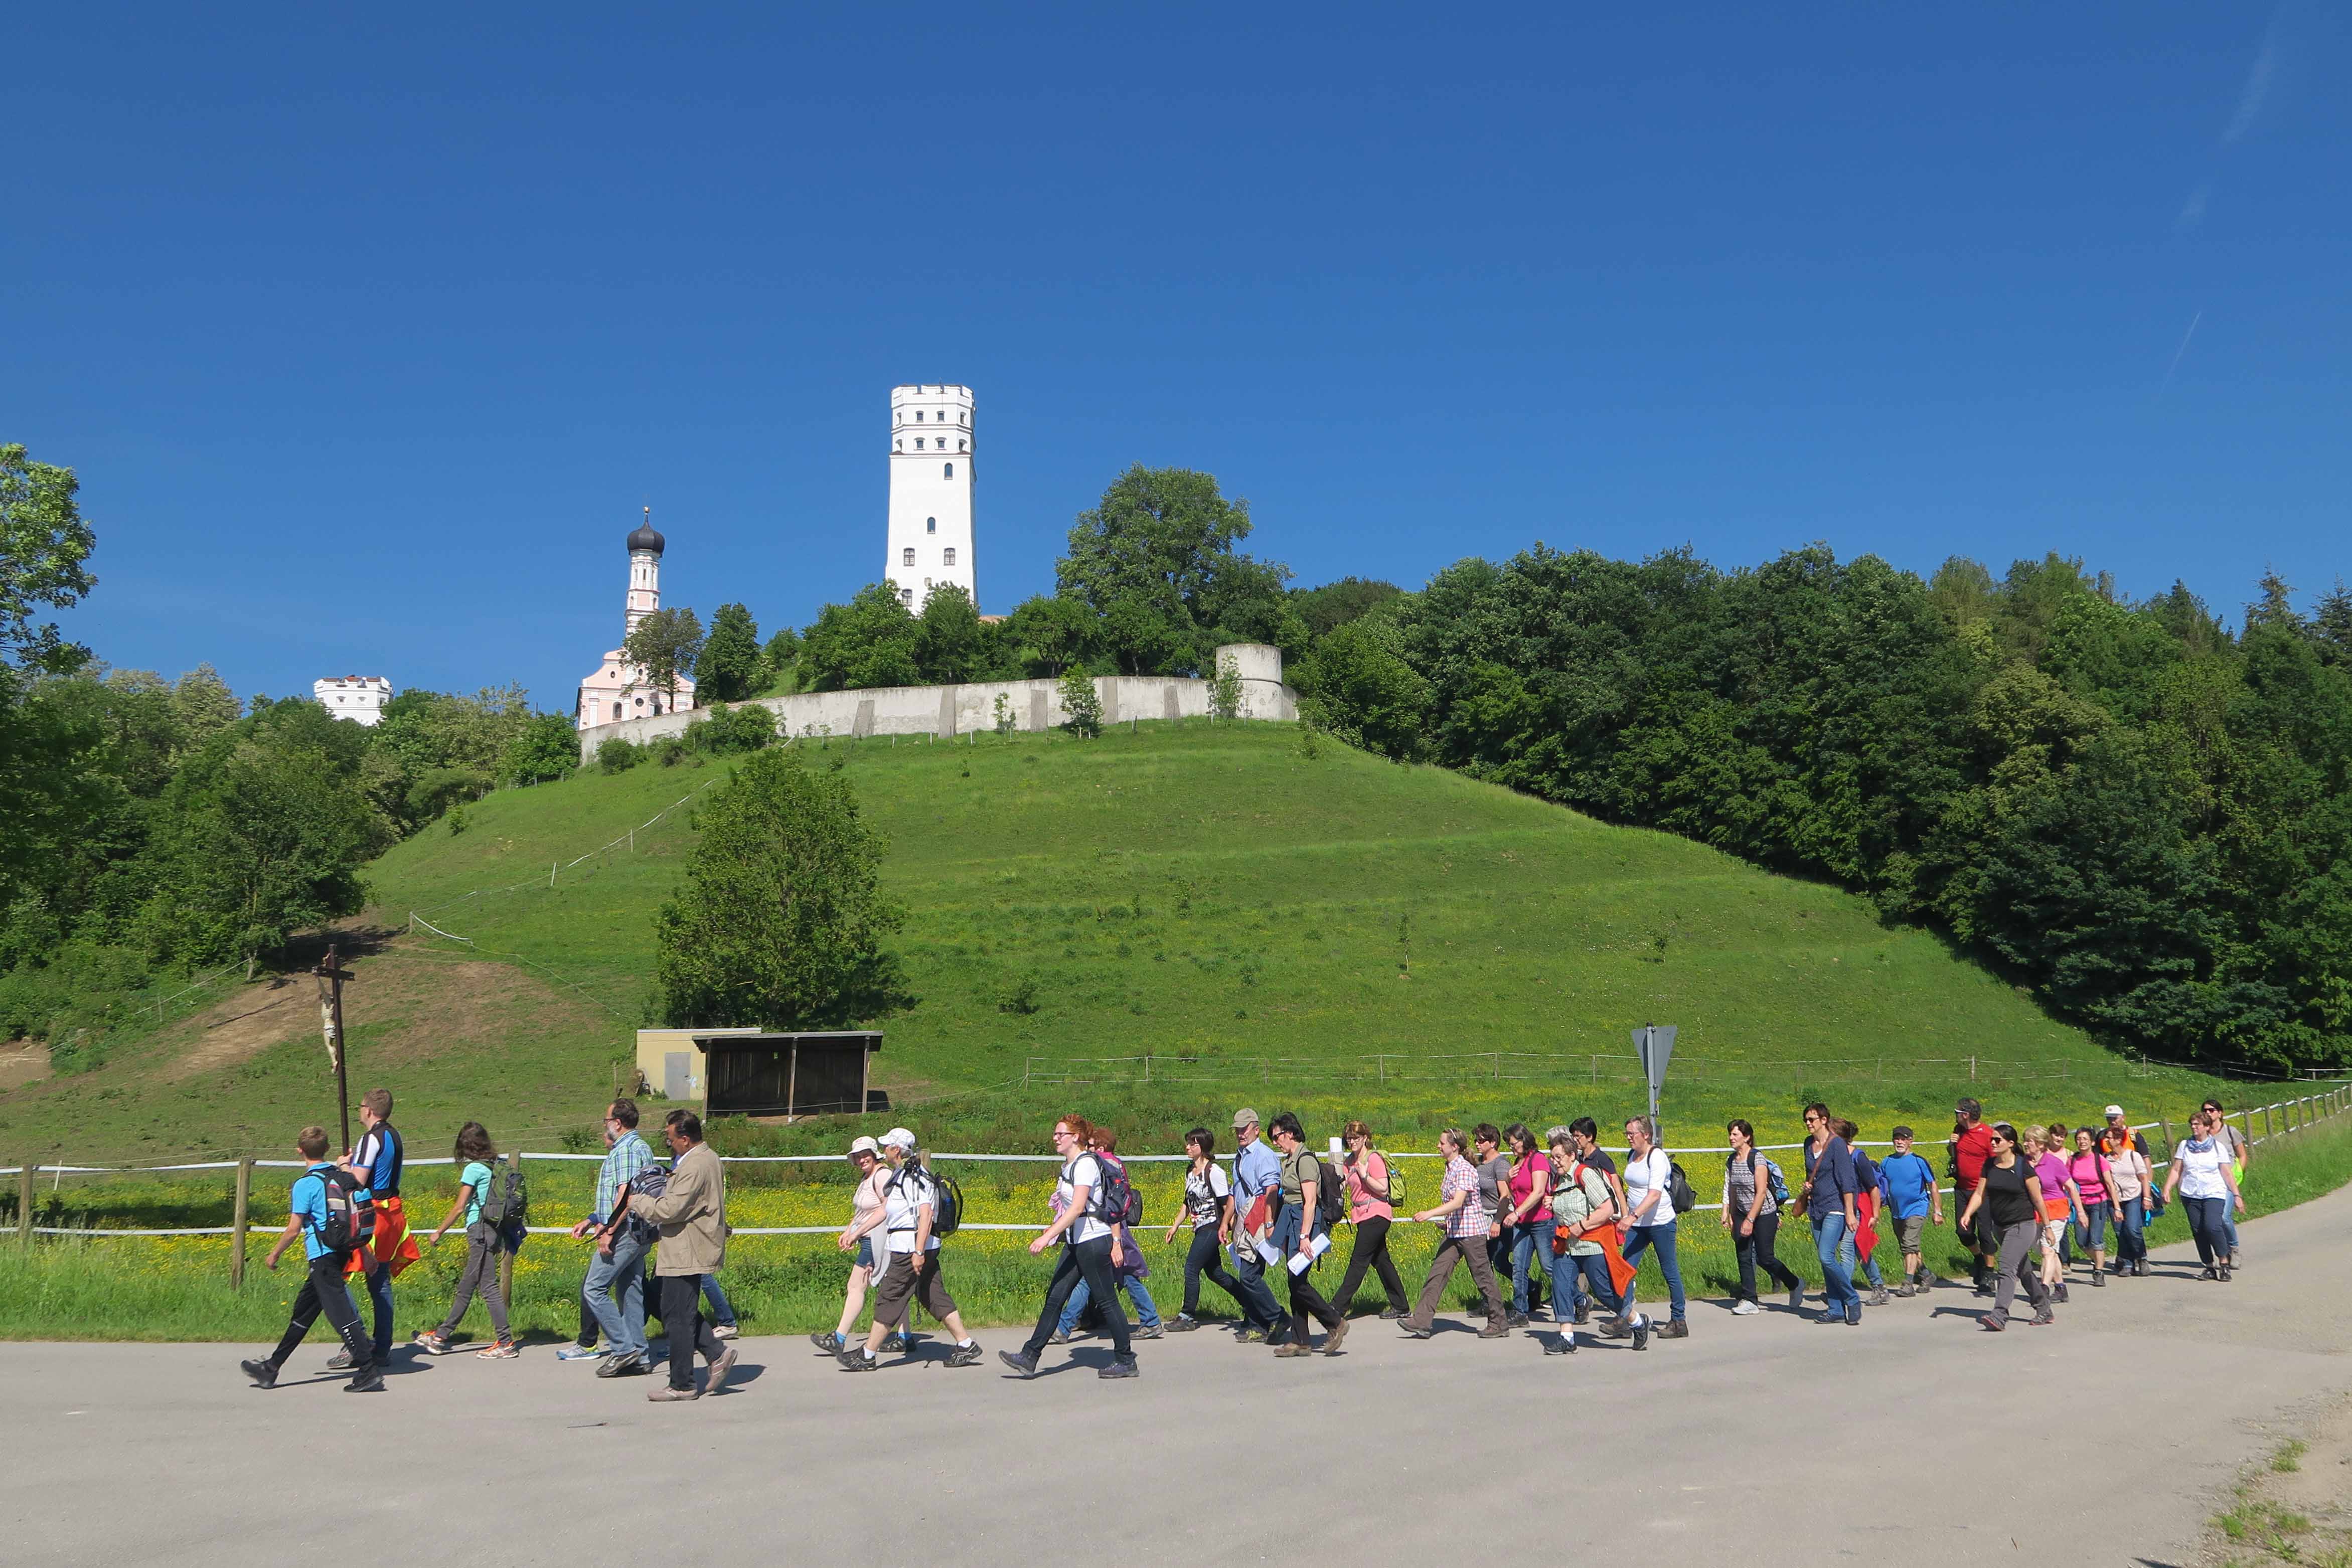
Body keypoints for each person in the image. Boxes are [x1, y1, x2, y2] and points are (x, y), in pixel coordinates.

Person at [239, 1125, 382, 1392]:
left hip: (322, 1258)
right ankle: (271, 1369)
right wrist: (366, 1253)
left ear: (300, 1151)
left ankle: (368, 1370)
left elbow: (295, 1228)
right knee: (303, 1314)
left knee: (342, 1315)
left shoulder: (306, 1185)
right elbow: (352, 1217)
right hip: (340, 1253)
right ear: (327, 1149)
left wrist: (274, 1254)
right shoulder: (339, 1176)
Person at [1000, 1115, 1138, 1380]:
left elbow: (1077, 1207)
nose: (1055, 1138)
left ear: (1075, 1137)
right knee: (1055, 1298)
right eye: (1055, 1134)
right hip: (1077, 1242)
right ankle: (1030, 1356)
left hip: (1093, 1241)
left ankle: (1125, 1359)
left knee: (1107, 1301)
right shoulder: (1070, 1165)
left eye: (1060, 1134)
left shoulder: (1085, 1165)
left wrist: (1047, 1236)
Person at [837, 1128, 983, 1369]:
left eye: (887, 1146)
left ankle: (868, 1354)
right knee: (932, 1295)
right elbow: (885, 1211)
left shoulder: (912, 1177)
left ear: (897, 1150)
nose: (883, 1151)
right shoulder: (903, 1175)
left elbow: (925, 1215)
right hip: (919, 1247)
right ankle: (966, 1345)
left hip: (909, 1250)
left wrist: (917, 1252)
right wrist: (856, 1233)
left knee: (889, 1297)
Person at [626, 1109, 738, 1400]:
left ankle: (682, 1384)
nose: (668, 1143)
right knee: (675, 1309)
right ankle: (717, 1353)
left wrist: (636, 1201)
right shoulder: (705, 1158)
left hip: (686, 1249)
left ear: (686, 1139)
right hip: (687, 1246)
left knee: (676, 1316)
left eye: (670, 1138)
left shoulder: (694, 1166)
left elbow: (670, 1209)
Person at [560, 1098, 656, 1377]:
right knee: (631, 1291)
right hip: (640, 1230)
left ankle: (624, 1349)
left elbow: (626, 1196)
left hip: (625, 1230)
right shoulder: (641, 1148)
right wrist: (593, 1219)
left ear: (617, 1123)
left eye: (606, 1121)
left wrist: (609, 1231)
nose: (605, 1125)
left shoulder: (626, 1150)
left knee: (594, 1288)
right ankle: (640, 1355)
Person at [1052, 1127, 1165, 1342]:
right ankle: (1149, 1320)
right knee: (1127, 1275)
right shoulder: (1114, 1163)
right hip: (1113, 1228)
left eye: (1091, 1145)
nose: (1087, 1149)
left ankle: (1065, 1326)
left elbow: (1100, 1201)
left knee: (1092, 1277)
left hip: (1107, 1228)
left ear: (1100, 1148)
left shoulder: (1100, 1163)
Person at [414, 1122, 516, 1359]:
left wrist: (438, 1231)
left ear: (466, 1145)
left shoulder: (473, 1169)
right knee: (468, 1286)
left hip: (479, 1231)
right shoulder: (495, 1165)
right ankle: (441, 1335)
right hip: (492, 1230)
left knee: (487, 1288)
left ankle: (505, 1342)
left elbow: (460, 1207)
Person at [1399, 1128, 1509, 1340]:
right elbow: (1458, 1207)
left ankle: (1499, 1322)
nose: (1438, 1146)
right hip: (1454, 1232)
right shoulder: (1450, 1168)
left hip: (1472, 1234)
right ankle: (1421, 1321)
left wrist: (1429, 1213)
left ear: (1454, 1146)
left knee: (1484, 1278)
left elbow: (1458, 1202)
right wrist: (1447, 1222)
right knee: (1437, 1274)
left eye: (1442, 1143)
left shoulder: (1465, 1170)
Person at [336, 1087, 418, 1371]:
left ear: (369, 1110)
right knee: (380, 1282)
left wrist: (343, 1168)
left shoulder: (371, 1138)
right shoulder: (394, 1135)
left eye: (361, 1106)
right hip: (392, 1212)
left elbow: (358, 1181)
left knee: (337, 1275)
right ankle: (381, 1347)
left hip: (374, 1215)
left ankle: (356, 1343)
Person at [1265, 1113, 1345, 1357]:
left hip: (1304, 1222)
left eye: (1277, 1137)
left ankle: (1335, 1322)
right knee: (1294, 1280)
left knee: (1298, 1282)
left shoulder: (1305, 1160)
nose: (1275, 1142)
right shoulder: (1289, 1160)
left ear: (1290, 1133)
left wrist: (1304, 1237)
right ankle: (1301, 1340)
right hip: (1291, 1220)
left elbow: (1310, 1202)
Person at [811, 1136, 900, 1354]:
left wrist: (857, 1233)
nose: (861, 1160)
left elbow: (885, 1210)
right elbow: (862, 1212)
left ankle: (839, 1338)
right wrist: (849, 1231)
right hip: (868, 1238)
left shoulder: (882, 1176)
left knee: (855, 1286)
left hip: (877, 1240)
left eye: (865, 1155)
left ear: (874, 1154)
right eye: (858, 1157)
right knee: (897, 1286)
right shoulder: (867, 1177)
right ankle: (905, 1337)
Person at [1959, 1123, 2053, 1330]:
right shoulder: (1989, 1165)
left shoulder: (2022, 1167)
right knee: (2024, 1270)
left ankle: (2000, 1315)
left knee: (2007, 1267)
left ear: (2011, 1144)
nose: (1993, 1143)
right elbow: (1979, 1194)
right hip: (2000, 1226)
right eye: (1991, 1139)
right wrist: (1968, 1213)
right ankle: (2044, 1308)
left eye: (1997, 1140)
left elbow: (2038, 1200)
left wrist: (2047, 1227)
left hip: (2023, 1225)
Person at [1545, 1127, 1630, 1351]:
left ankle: (1636, 1320)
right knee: (1561, 1285)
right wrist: (1553, 1205)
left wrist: (1581, 1226)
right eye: (1552, 1158)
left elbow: (1606, 1208)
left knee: (1604, 1292)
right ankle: (1567, 1338)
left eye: (1559, 1157)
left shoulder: (1585, 1174)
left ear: (1572, 1155)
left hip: (1591, 1243)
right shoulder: (1559, 1180)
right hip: (1567, 1246)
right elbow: (1567, 1208)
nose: (1555, 1162)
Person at [1610, 1115, 1689, 1340]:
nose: (1628, 1138)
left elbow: (1654, 1194)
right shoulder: (1632, 1156)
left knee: (1669, 1269)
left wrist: (1632, 1217)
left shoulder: (1657, 1157)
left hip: (1660, 1223)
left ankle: (1679, 1320)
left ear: (1645, 1134)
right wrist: (1626, 1214)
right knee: (1625, 1269)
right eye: (1626, 1133)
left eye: (1632, 1134)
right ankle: (1625, 1317)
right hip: (1638, 1224)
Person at [1163, 1126, 1248, 1330]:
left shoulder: (1214, 1172)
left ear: (1204, 1146)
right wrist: (1175, 1226)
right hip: (1199, 1227)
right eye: (1188, 1143)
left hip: (1212, 1227)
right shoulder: (1190, 1172)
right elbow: (1188, 1202)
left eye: (1193, 1143)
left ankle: (1187, 1316)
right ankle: (1252, 1303)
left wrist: (1229, 1227)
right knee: (1216, 1273)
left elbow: (1228, 1203)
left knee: (1191, 1268)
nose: (1188, 1147)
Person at [1220, 1107, 1290, 1345]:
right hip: (1244, 1218)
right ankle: (1259, 1324)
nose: (1240, 1134)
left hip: (1259, 1219)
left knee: (1249, 1275)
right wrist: (1226, 1221)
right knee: (1251, 1273)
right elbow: (1234, 1191)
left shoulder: (1263, 1155)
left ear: (1256, 1130)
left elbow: (1271, 1190)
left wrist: (1269, 1223)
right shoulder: (1240, 1156)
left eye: (1244, 1129)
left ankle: (1277, 1317)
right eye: (1237, 1130)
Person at [1329, 1120, 1410, 1321]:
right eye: (1349, 1138)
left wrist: (1365, 1176)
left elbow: (1383, 1188)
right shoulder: (1349, 1162)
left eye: (1356, 1137)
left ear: (1365, 1137)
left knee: (1359, 1261)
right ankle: (1401, 1305)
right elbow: (1342, 1187)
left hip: (1377, 1213)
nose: (1352, 1142)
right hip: (1362, 1215)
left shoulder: (1373, 1159)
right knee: (1381, 1261)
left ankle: (1337, 1307)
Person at [1720, 1119, 1801, 1315]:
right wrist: (1729, 1214)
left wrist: (1750, 1220)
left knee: (1765, 1258)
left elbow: (1762, 1192)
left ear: (1747, 1137)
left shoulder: (1757, 1159)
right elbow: (1730, 1188)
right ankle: (1749, 1300)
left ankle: (1794, 1283)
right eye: (1730, 1134)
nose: (1731, 1138)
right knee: (1743, 1254)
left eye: (1735, 1134)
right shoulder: (1731, 1160)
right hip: (1740, 1211)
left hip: (1764, 1213)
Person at [1796, 1103, 1860, 1328]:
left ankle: (1852, 1299)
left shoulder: (1837, 1145)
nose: (1808, 1123)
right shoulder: (1807, 1144)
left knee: (1826, 1256)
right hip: (1816, 1207)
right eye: (1806, 1119)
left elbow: (1847, 1181)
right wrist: (1807, 1188)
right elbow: (1810, 1171)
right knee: (1826, 1262)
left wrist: (1850, 1212)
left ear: (1824, 1120)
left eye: (1812, 1119)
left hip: (1836, 1207)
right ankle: (1835, 1309)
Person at [2162, 1111, 2245, 1282]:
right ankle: (2208, 1266)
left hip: (2214, 1192)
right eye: (2192, 1124)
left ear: (2207, 1127)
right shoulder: (2185, 1145)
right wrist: (2167, 1188)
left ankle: (2223, 1262)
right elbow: (2177, 1169)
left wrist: (2236, 1195)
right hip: (2190, 1194)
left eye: (2197, 1124)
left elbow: (2227, 1174)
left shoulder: (2217, 1147)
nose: (2194, 1127)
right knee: (2198, 1231)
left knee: (2212, 1226)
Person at [1560, 1118, 1621, 1324]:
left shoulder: (1600, 1159)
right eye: (1573, 1136)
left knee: (1602, 1283)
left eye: (1579, 1136)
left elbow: (1615, 1187)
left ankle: (1627, 1310)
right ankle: (1581, 1307)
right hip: (1578, 1232)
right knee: (1567, 1277)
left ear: (1590, 1137)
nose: (1576, 1140)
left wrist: (1624, 1213)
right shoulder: (1576, 1159)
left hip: (1597, 1226)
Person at [1875, 1126, 1942, 1296]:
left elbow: (1933, 1185)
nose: (1899, 1142)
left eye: (1904, 1139)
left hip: (1917, 1208)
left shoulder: (1919, 1161)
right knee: (1908, 1247)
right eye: (1896, 1138)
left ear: (1911, 1141)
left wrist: (1937, 1210)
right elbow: (1880, 1186)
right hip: (1897, 1211)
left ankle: (1908, 1284)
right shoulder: (1887, 1162)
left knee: (1909, 1245)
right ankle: (1926, 1275)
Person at [1500, 1123, 1554, 1324]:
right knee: (1519, 1267)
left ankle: (1577, 1299)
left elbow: (1539, 1192)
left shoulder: (1538, 1160)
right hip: (1522, 1223)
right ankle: (1519, 1310)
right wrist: (1507, 1178)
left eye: (1514, 1144)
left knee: (1549, 1265)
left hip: (1540, 1222)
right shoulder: (1518, 1162)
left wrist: (1517, 1213)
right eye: (1510, 1144)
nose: (1512, 1148)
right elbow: (1516, 1190)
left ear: (1524, 1140)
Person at [1837, 1119, 1890, 1307]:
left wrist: (1875, 1215)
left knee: (1847, 1249)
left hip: (1861, 1208)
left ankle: (1841, 1291)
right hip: (1844, 1207)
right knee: (1860, 1249)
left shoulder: (1858, 1157)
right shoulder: (1836, 1155)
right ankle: (1879, 1287)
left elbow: (1873, 1187)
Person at [1949, 1098, 1997, 1293]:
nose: (1956, 1115)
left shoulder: (1987, 1134)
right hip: (1962, 1188)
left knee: (1985, 1233)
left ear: (1966, 1115)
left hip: (1983, 1191)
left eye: (1957, 1112)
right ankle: (1978, 1258)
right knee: (1964, 1232)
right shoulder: (1958, 1130)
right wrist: (1951, 1144)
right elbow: (1957, 1153)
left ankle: (1989, 1271)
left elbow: (1996, 1161)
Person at [2031, 1126, 2083, 1303]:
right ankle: (2060, 1287)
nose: (2026, 1144)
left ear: (2040, 1144)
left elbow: (2071, 1188)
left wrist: (2081, 1212)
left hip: (2056, 1210)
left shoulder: (2054, 1163)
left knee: (2047, 1251)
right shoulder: (2025, 1163)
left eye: (2030, 1140)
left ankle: (2043, 1289)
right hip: (2036, 1213)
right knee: (2050, 1252)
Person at [2067, 1128, 2122, 1286]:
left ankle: (2098, 1272)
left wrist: (2117, 1208)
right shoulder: (2072, 1161)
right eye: (2078, 1139)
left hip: (2099, 1202)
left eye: (2085, 1139)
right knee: (2082, 1241)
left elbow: (2110, 1185)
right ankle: (2097, 1259)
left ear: (2092, 1142)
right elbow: (2067, 1183)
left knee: (2096, 1240)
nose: (2081, 1142)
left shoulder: (2099, 1160)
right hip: (2080, 1204)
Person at [2101, 1117, 2153, 1279]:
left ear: (2118, 1140)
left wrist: (2147, 1198)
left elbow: (2144, 1178)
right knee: (2120, 1232)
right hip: (2115, 1199)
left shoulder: (2133, 1156)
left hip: (2133, 1196)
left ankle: (2142, 1256)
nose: (2107, 1141)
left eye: (2110, 1138)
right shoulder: (2106, 1159)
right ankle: (2128, 1263)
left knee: (2133, 1229)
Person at [2201, 1099, 2249, 1267]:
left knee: (2224, 1217)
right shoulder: (2202, 1134)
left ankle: (2234, 1249)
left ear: (2220, 1113)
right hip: (2210, 1183)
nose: (2208, 1113)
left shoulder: (2230, 1131)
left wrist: (2238, 1173)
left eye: (2212, 1110)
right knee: (2212, 1220)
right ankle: (2222, 1252)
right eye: (2205, 1110)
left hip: (2228, 1180)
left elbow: (2242, 1154)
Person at [1471, 1124, 1512, 1311]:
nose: (1477, 1144)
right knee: (1482, 1262)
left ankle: (1531, 1288)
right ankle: (1489, 1301)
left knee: (1500, 1261)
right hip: (1481, 1219)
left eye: (1481, 1140)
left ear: (1493, 1143)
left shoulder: (1500, 1164)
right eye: (1476, 1140)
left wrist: (1497, 1221)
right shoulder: (1478, 1163)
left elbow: (1506, 1195)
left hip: (1499, 1218)